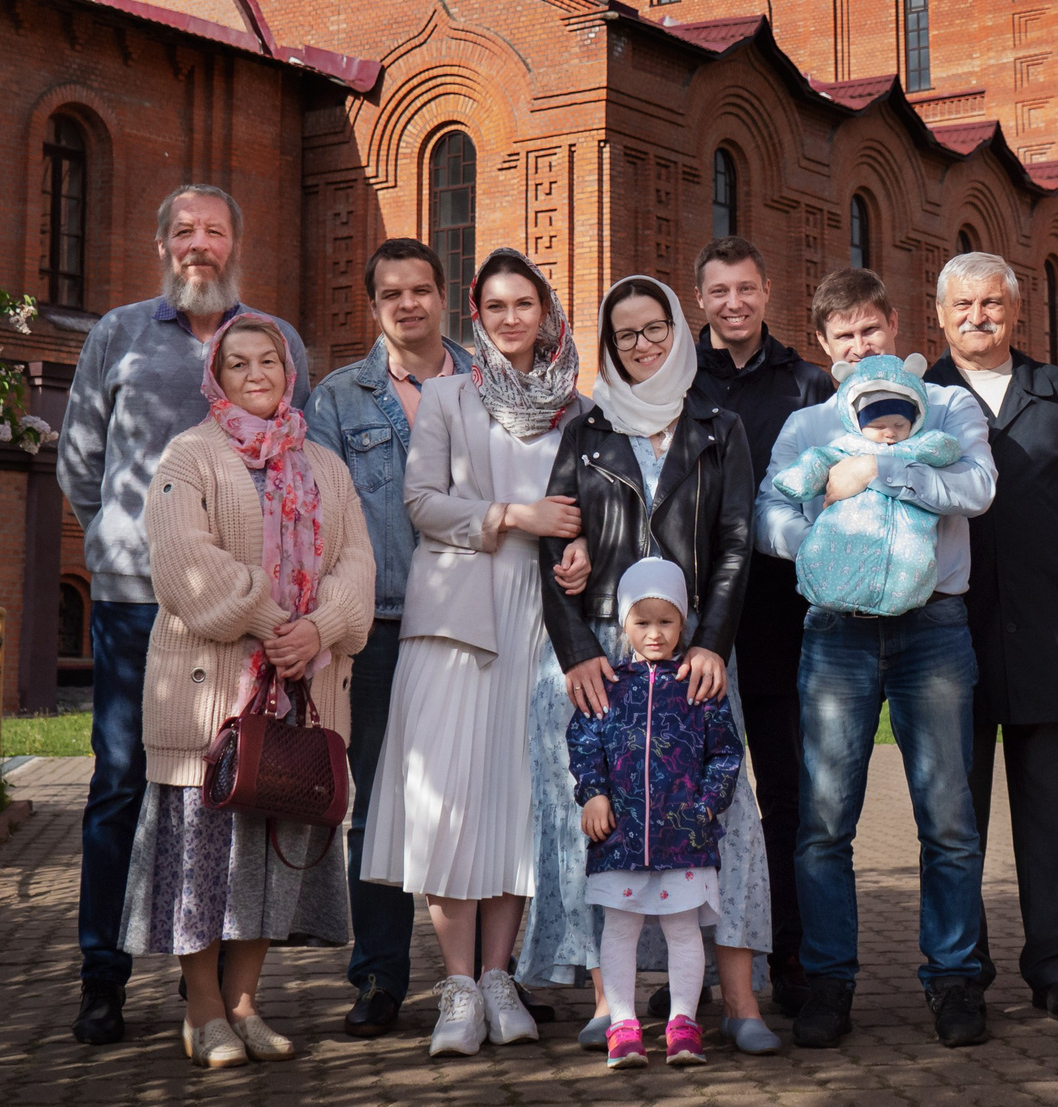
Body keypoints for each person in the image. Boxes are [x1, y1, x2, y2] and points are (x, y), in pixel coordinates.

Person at [60, 184, 312, 1046]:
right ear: (161, 242)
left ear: (236, 243)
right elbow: (80, 459)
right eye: (183, 230)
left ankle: (212, 985)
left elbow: (297, 452)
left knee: (230, 793)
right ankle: (104, 976)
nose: (197, 243)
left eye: (213, 230)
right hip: (140, 607)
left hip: (251, 611)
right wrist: (116, 539)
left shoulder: (276, 340)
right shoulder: (119, 335)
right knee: (122, 783)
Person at [527, 276, 778, 1055]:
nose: (640, 345)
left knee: (725, 817)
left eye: (653, 329)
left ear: (678, 329)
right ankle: (614, 1003)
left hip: (693, 647)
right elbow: (555, 539)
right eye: (624, 334)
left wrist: (712, 640)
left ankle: (737, 1000)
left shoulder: (718, 424)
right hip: (602, 648)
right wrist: (573, 652)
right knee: (597, 819)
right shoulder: (588, 428)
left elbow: (736, 540)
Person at [754, 265, 997, 1050]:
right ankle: (828, 982)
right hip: (838, 631)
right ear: (825, 348)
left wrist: (880, 470)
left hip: (934, 628)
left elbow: (979, 487)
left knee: (949, 816)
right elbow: (767, 518)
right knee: (824, 820)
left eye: (871, 329)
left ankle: (955, 980)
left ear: (895, 327)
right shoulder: (808, 427)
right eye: (844, 335)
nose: (860, 345)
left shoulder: (949, 404)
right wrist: (824, 538)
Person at [358, 247, 590, 1058]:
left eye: (523, 303)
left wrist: (584, 550)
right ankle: (456, 986)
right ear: (478, 315)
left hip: (540, 624)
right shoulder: (450, 397)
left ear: (545, 309)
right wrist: (511, 516)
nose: (510, 318)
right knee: (450, 806)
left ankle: (499, 975)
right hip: (458, 623)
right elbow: (422, 504)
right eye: (494, 306)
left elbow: (593, 511)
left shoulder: (578, 407)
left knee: (518, 804)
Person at [122, 315, 372, 1067]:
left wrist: (319, 628)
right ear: (217, 376)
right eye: (239, 362)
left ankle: (244, 1005)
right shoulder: (189, 455)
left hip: (298, 694)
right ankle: (201, 1012)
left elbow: (358, 563)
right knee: (201, 858)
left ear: (290, 371)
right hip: (209, 698)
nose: (256, 372)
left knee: (269, 850)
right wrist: (276, 621)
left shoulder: (325, 464)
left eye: (270, 359)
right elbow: (181, 565)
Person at [303, 236, 472, 1038]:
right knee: (373, 807)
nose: (408, 304)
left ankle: (486, 976)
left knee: (474, 799)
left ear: (445, 295)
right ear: (374, 307)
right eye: (391, 294)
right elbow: (324, 524)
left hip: (472, 625)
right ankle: (379, 977)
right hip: (377, 628)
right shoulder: (337, 398)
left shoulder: (489, 384)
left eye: (421, 289)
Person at [925, 252, 1058, 1023]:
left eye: (991, 304)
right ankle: (960, 970)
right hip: (944, 641)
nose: (977, 317)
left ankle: (1057, 969)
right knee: (954, 819)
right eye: (962, 305)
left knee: (1052, 814)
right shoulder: (917, 394)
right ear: (939, 314)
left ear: (1015, 310)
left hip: (1046, 635)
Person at [687, 237, 832, 1012]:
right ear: (700, 298)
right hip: (697, 623)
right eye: (719, 290)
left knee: (786, 794)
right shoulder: (678, 382)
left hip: (781, 617)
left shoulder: (808, 383)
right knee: (693, 795)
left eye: (746, 288)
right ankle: (697, 969)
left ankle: (795, 958)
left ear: (767, 292)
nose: (733, 302)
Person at [566, 557, 744, 1070]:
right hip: (619, 835)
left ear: (683, 623)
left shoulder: (698, 684)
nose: (654, 633)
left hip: (683, 837)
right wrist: (594, 794)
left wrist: (706, 808)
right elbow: (583, 743)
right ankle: (622, 1025)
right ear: (624, 623)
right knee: (619, 929)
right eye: (641, 622)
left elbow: (726, 754)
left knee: (682, 931)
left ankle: (683, 1024)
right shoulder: (608, 684)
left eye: (665, 621)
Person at [770, 355, 962, 609]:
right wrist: (798, 480)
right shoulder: (848, 446)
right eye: (878, 425)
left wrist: (943, 446)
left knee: (911, 562)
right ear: (857, 422)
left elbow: (944, 449)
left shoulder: (915, 445)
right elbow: (820, 459)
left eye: (899, 424)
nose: (890, 432)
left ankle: (902, 599)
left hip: (908, 554)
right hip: (845, 545)